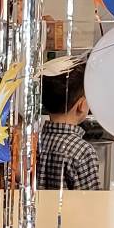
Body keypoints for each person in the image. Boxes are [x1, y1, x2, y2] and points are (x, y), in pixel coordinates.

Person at [37, 55, 103, 190]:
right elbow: (91, 201)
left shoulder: (34, 142)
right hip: (71, 212)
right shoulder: (83, 151)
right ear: (82, 105)